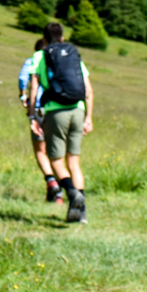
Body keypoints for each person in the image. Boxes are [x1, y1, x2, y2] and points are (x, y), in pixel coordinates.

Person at [28, 21, 94, 223]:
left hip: (55, 112)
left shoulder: (40, 56)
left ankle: (72, 193)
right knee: (74, 162)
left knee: (56, 160)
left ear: (44, 39)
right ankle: (81, 214)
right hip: (78, 110)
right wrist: (88, 118)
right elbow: (88, 90)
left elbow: (34, 88)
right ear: (63, 38)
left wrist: (33, 116)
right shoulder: (73, 55)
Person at [19, 37, 61, 203]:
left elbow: (22, 79)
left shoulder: (32, 61)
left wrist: (23, 96)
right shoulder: (58, 61)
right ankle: (58, 194)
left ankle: (51, 181)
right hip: (55, 107)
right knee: (56, 152)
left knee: (40, 151)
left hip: (37, 109)